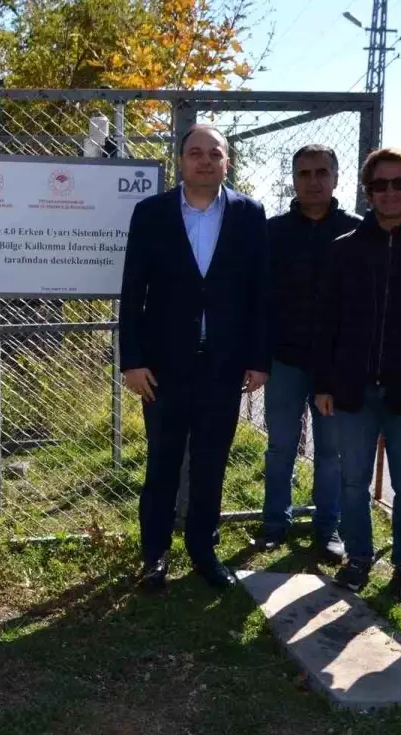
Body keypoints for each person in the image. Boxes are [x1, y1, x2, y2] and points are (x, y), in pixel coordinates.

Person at [119, 124, 270, 591]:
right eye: (195, 153)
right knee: (162, 462)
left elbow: (261, 292)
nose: (205, 161)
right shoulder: (152, 213)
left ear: (227, 162)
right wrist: (132, 360)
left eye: (215, 153)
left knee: (210, 463)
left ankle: (204, 551)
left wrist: (259, 358)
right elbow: (132, 291)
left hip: (223, 367)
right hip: (163, 368)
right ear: (180, 160)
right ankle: (155, 556)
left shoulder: (249, 213)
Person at [314, 147, 401, 603]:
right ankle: (358, 559)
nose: (390, 192)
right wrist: (323, 383)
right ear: (368, 191)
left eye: (399, 183)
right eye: (380, 185)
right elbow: (327, 323)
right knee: (352, 482)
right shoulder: (344, 251)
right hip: (354, 389)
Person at [261, 144, 360, 562]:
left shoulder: (357, 231)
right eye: (304, 174)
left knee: (331, 452)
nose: (314, 181)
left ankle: (328, 527)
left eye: (322, 172)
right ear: (294, 180)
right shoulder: (273, 231)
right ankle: (274, 523)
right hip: (284, 360)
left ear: (337, 178)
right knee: (281, 445)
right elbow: (257, 296)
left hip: (335, 367)